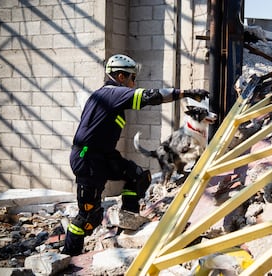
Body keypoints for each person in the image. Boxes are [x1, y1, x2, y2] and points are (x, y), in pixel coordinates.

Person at [62, 54, 209, 256]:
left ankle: (128, 219)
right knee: (88, 216)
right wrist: (186, 93)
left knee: (138, 176)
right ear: (120, 76)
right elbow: (151, 96)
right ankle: (68, 255)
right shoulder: (113, 93)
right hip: (88, 159)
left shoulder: (108, 96)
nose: (134, 82)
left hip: (104, 156)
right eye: (132, 77)